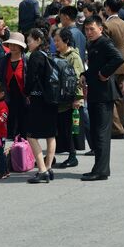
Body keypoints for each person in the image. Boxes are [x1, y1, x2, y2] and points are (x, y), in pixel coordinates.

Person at [79, 15, 124, 181]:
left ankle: (101, 171)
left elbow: (118, 58)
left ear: (100, 28)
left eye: (92, 29)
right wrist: (85, 74)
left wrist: (105, 73)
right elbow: (95, 66)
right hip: (95, 93)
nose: (89, 32)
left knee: (101, 134)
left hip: (104, 95)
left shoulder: (104, 42)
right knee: (97, 132)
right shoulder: (94, 44)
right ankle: (99, 168)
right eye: (87, 29)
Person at [25, 28, 57, 184]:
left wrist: (26, 93)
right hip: (52, 99)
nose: (27, 44)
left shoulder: (35, 56)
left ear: (37, 40)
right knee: (51, 135)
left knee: (31, 135)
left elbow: (30, 79)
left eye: (29, 40)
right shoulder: (48, 54)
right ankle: (49, 167)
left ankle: (42, 169)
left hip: (38, 100)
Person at [52, 28, 86, 168]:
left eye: (58, 41)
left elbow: (79, 79)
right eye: (54, 41)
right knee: (59, 129)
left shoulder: (73, 56)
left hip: (71, 100)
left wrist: (77, 98)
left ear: (66, 41)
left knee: (70, 130)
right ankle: (52, 155)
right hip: (60, 99)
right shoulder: (58, 55)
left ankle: (73, 157)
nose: (55, 43)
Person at [104, 0, 124, 139]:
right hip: (123, 65)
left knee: (111, 97)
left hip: (111, 66)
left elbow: (105, 48)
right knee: (120, 97)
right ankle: (121, 122)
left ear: (108, 8)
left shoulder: (107, 25)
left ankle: (116, 128)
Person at [0, 32, 27, 139]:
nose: (13, 47)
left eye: (16, 45)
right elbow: (0, 77)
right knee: (9, 121)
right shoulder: (4, 60)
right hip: (8, 95)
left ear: (21, 47)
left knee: (23, 122)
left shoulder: (26, 61)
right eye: (11, 44)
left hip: (23, 96)